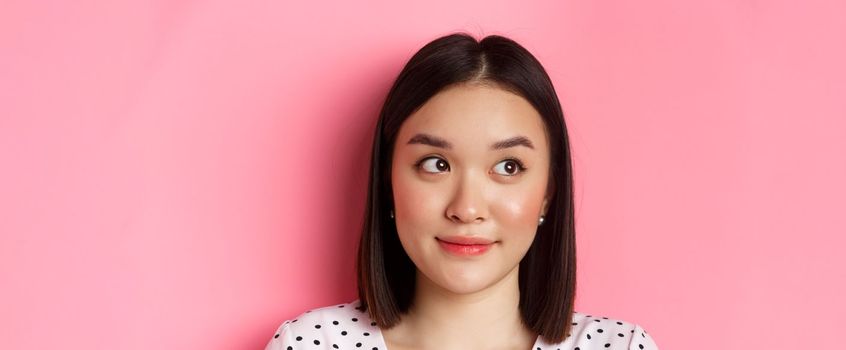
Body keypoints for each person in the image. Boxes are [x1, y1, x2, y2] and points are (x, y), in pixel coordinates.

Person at [264, 32, 658, 350]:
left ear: (548, 194)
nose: (467, 209)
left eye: (508, 167)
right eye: (435, 164)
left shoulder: (619, 346)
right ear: (388, 184)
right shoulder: (313, 343)